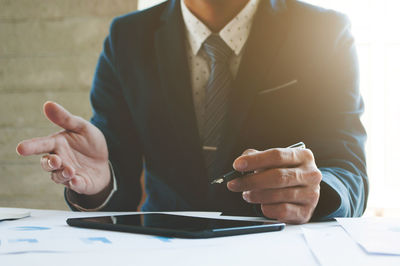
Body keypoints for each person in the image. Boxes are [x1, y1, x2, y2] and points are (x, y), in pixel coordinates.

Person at [16, 0, 368, 224]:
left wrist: (316, 190)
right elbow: (114, 172)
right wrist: (99, 183)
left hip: (280, 246)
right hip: (163, 247)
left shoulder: (323, 32)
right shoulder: (128, 37)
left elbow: (350, 171)